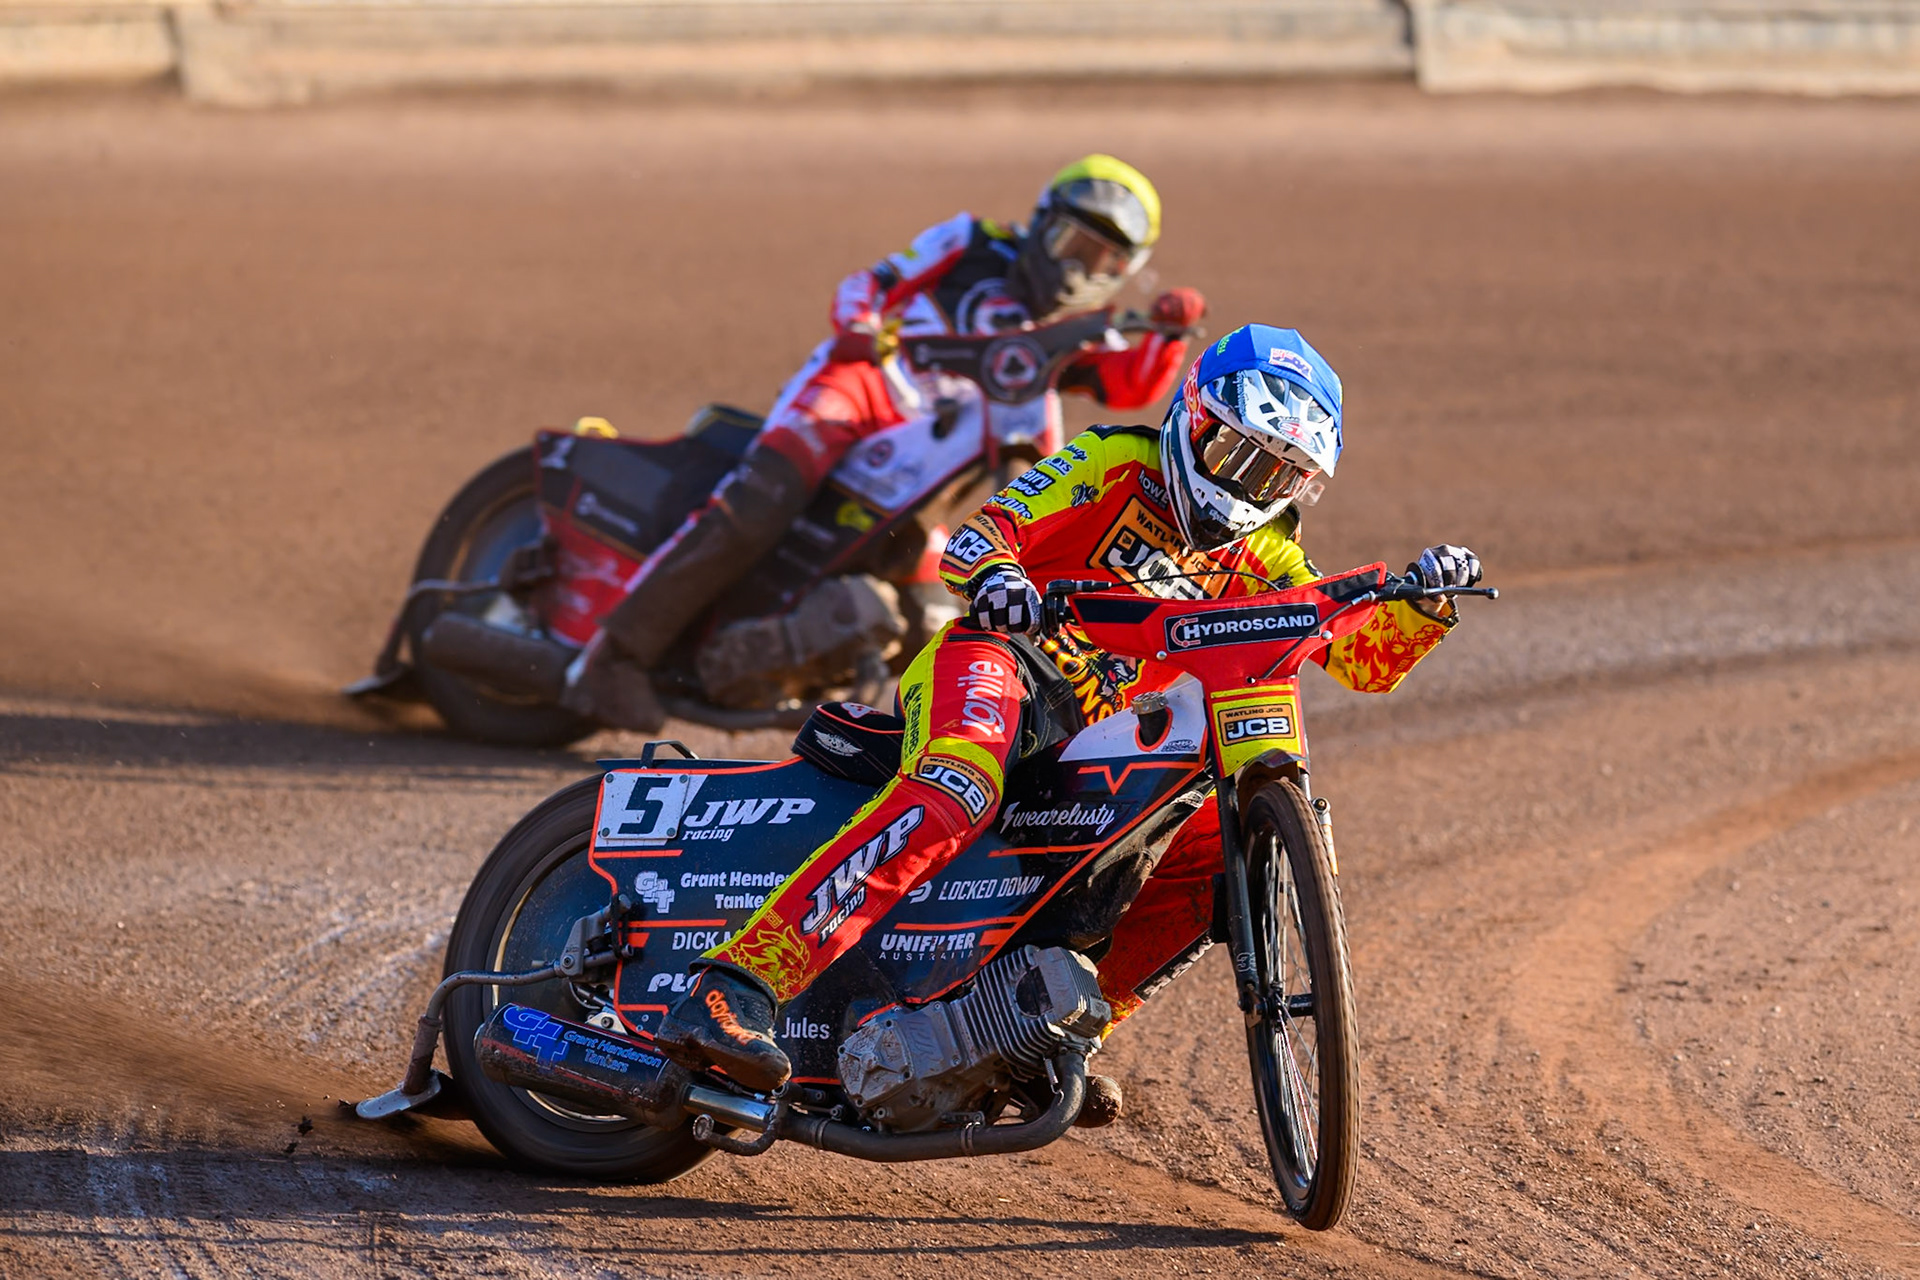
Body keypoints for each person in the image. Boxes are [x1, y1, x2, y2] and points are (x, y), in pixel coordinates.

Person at [652, 323, 1483, 1092]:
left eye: (1277, 473)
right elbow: (983, 535)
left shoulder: (1268, 553)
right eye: (1236, 451)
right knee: (960, 783)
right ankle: (738, 986)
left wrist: (1425, 605)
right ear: (1193, 419)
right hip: (998, 662)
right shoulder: (1115, 457)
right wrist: (1002, 581)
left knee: (1207, 858)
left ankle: (1054, 1044)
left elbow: (1361, 660)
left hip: (1091, 741)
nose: (1248, 483)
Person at [561, 154, 1209, 732]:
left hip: (934, 452)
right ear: (1041, 222)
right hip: (862, 386)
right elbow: (871, 282)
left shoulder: (1074, 334)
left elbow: (1128, 389)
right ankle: (610, 657)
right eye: (1072, 242)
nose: (1079, 270)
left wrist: (1172, 334)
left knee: (931, 596)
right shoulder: (973, 242)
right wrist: (861, 328)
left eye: (1105, 261)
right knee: (762, 501)